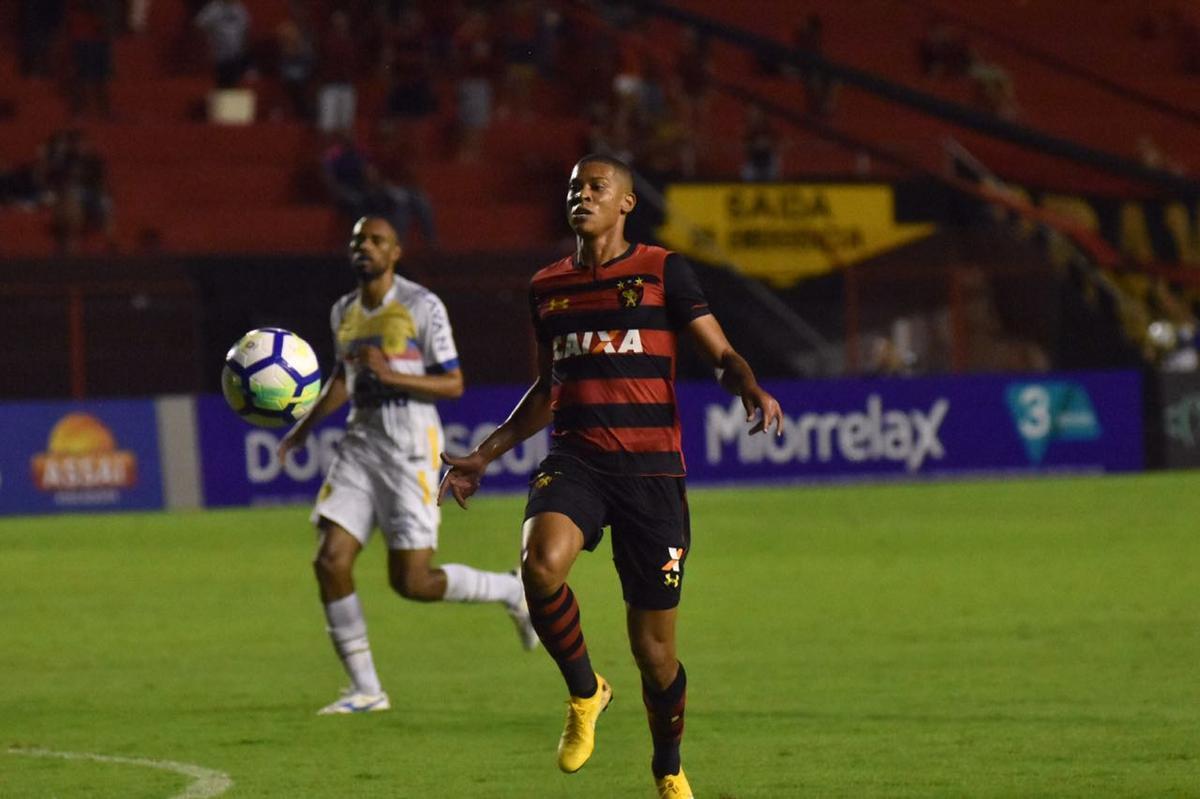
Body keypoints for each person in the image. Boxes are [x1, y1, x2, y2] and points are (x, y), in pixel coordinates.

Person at [438, 155, 783, 799]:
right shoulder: (547, 286)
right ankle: (585, 692)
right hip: (577, 461)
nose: (582, 195)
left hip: (652, 474)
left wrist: (747, 385)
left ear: (626, 203)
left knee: (655, 654)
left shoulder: (662, 270)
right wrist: (485, 453)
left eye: (596, 187)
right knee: (539, 564)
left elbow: (720, 351)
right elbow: (549, 386)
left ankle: (668, 767)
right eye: (574, 187)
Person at [278, 216, 538, 716]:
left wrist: (391, 374)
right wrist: (304, 427)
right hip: (360, 443)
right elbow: (343, 379)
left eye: (376, 240)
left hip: (409, 445)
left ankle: (511, 590)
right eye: (358, 240)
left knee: (413, 581)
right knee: (329, 560)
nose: (365, 247)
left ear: (395, 252)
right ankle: (365, 690)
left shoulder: (421, 306)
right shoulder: (343, 311)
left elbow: (453, 383)